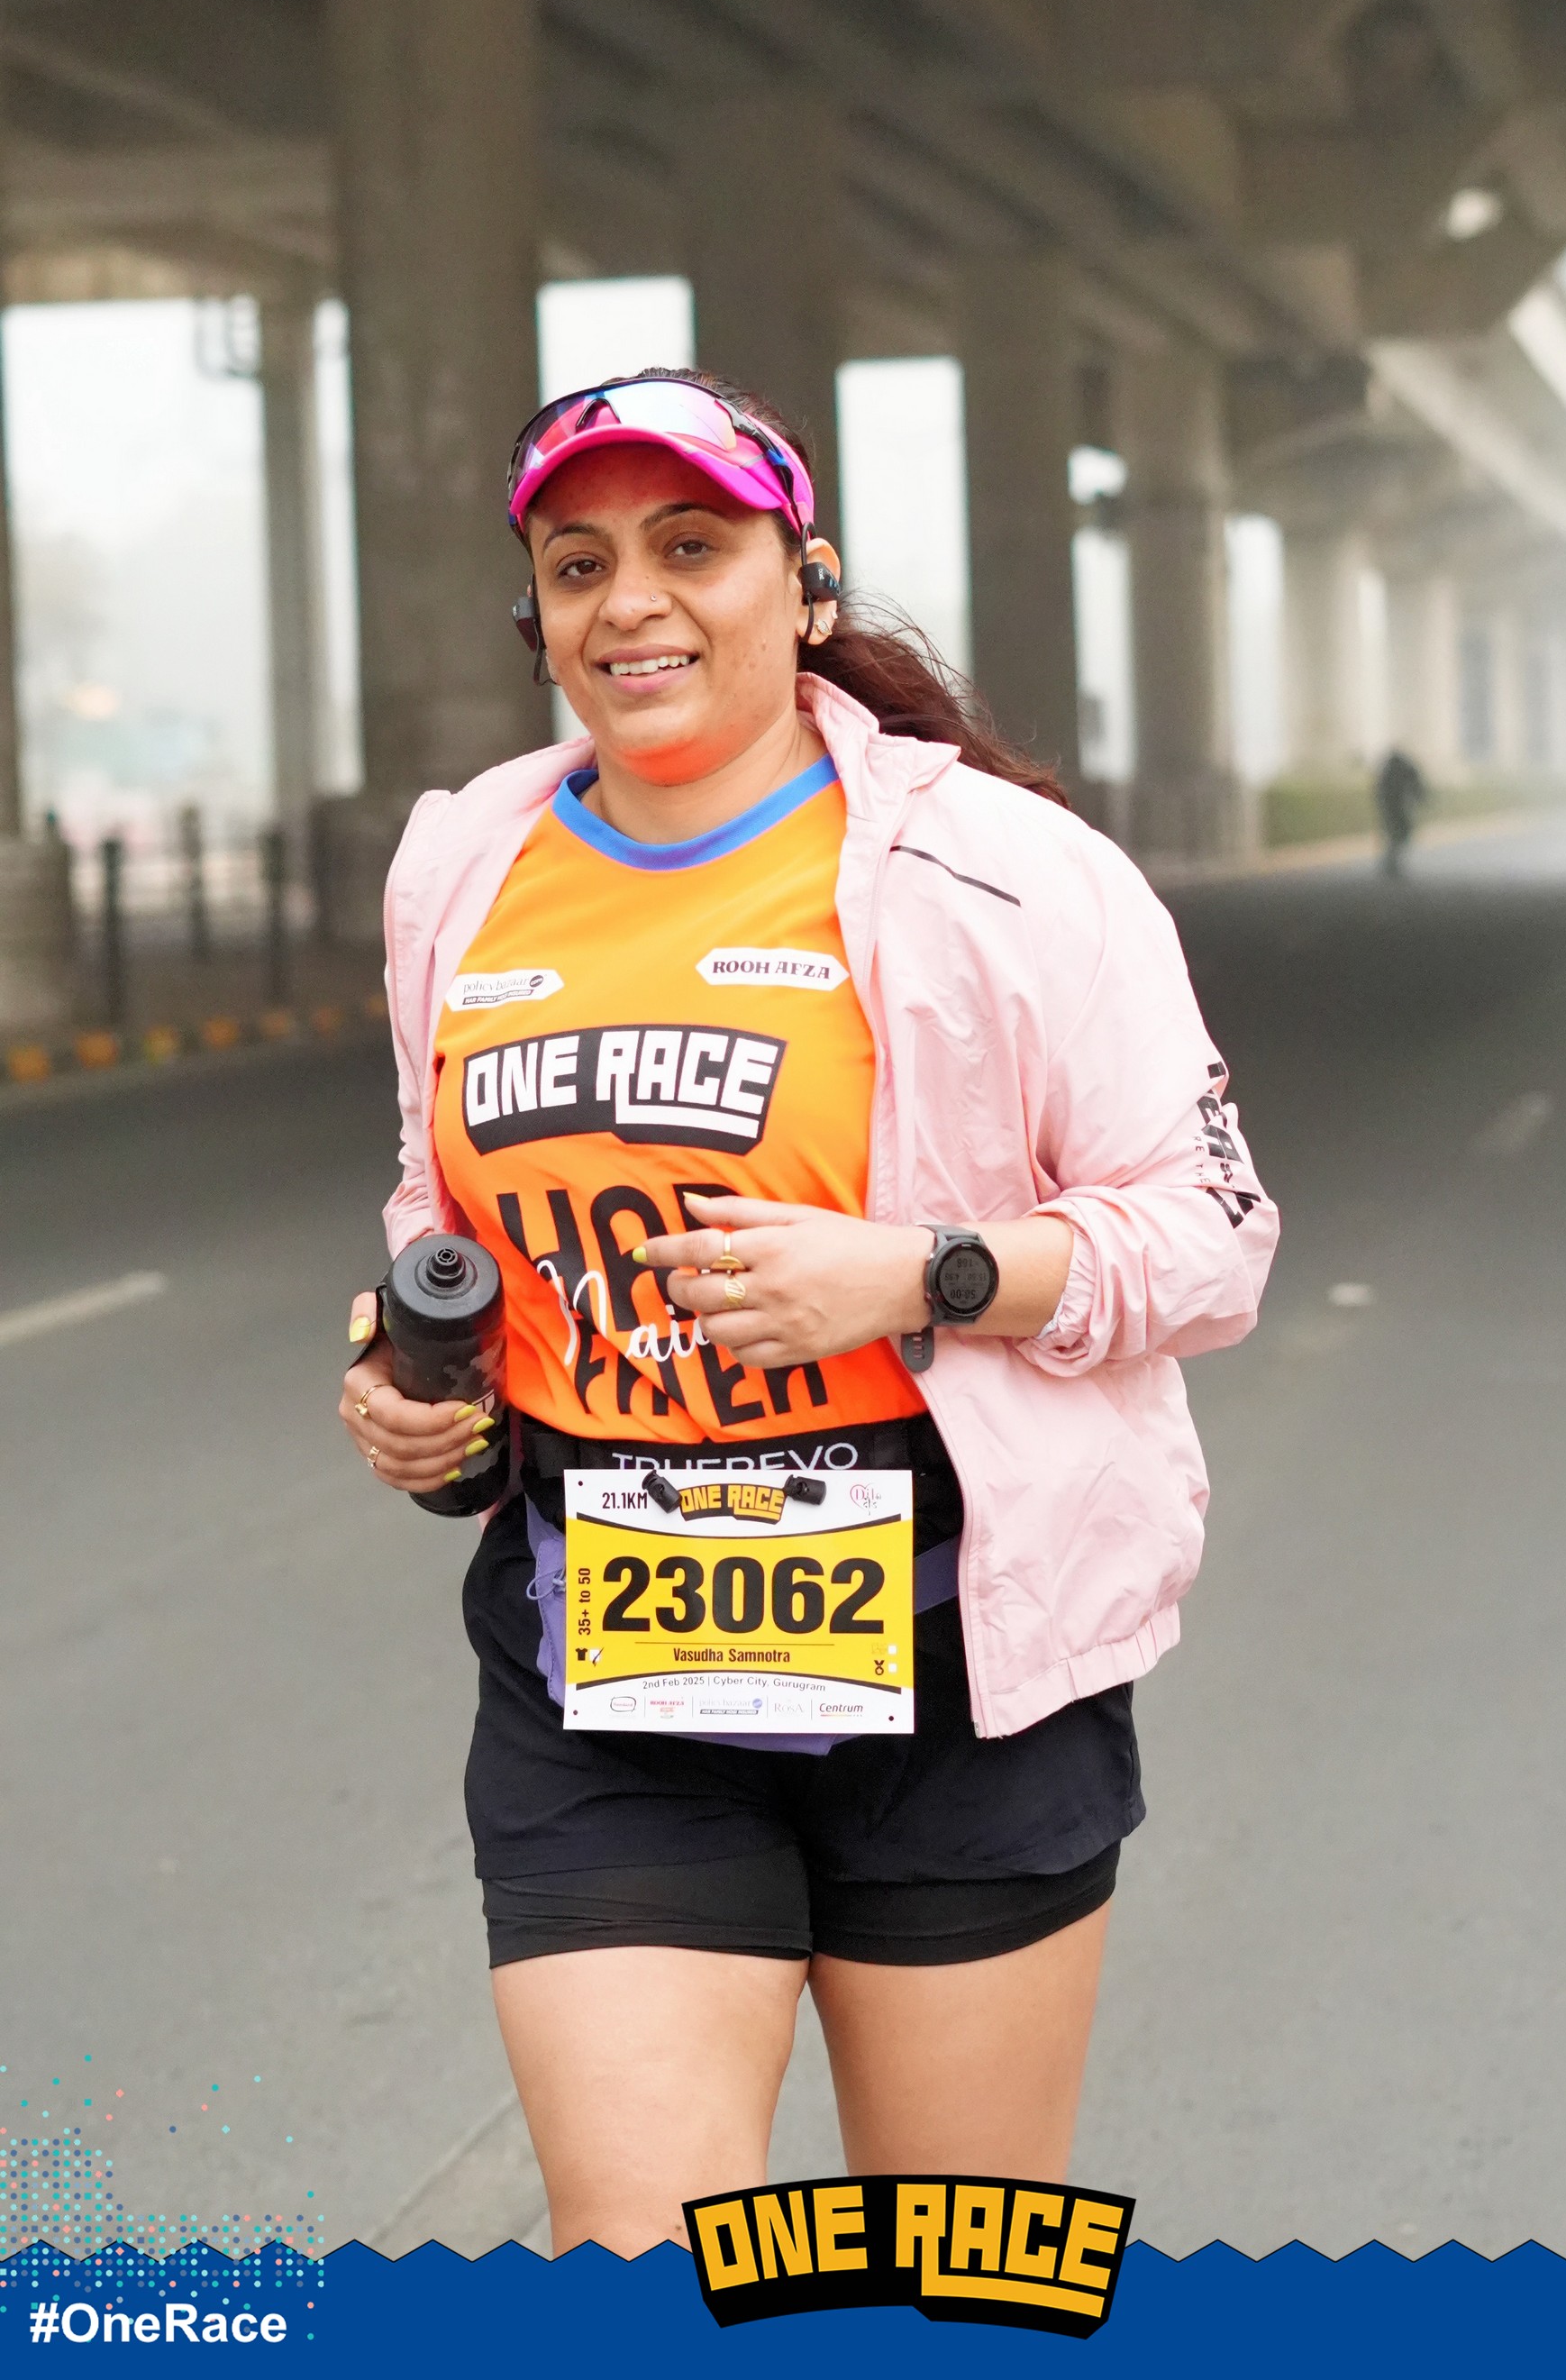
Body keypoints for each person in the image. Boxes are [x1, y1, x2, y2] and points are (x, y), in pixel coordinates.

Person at [337, 368, 1278, 2257]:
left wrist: (917, 1272)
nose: (633, 601)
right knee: (640, 2271)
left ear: (805, 584)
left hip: (957, 1662)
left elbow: (1213, 1236)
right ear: (541, 615)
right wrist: (418, 1393)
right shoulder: (466, 872)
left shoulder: (1007, 871)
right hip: (608, 1664)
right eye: (579, 562)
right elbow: (448, 1218)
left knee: (947, 2282)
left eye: (692, 547)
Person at [1373, 747, 1428, 878]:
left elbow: (1380, 792)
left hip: (1392, 806)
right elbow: (1417, 787)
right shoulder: (1404, 769)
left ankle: (1391, 864)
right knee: (1399, 833)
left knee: (1395, 833)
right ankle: (1391, 864)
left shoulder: (1391, 770)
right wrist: (1421, 799)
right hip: (1395, 806)